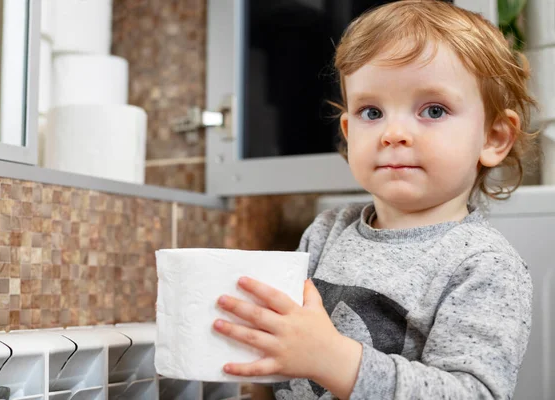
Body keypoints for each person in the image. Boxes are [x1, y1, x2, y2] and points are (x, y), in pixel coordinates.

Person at [211, 1, 538, 399]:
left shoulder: (483, 266)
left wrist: (334, 360)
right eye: (371, 112)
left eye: (433, 109)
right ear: (348, 132)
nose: (393, 133)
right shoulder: (327, 231)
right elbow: (284, 357)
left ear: (494, 137)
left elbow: (473, 393)